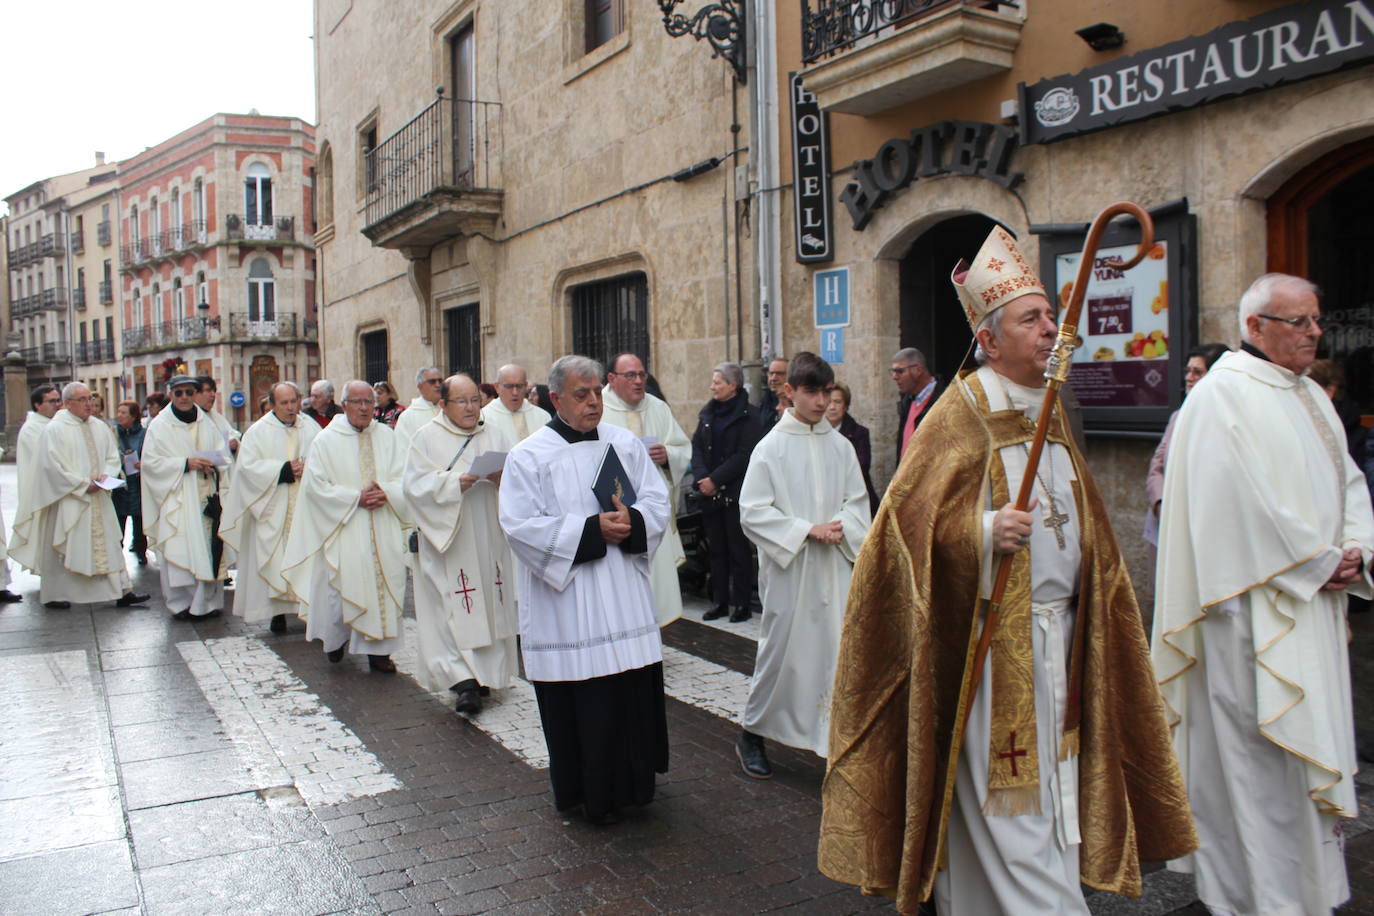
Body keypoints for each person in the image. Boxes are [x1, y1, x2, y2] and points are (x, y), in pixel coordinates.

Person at [819, 226, 1196, 915]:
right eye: (1033, 319)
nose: (1052, 328)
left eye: (1052, 315)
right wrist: (982, 531)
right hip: (995, 656)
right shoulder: (959, 413)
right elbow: (897, 537)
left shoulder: (1050, 405)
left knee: (1050, 804)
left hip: (1063, 640)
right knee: (1011, 809)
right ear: (989, 341)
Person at [1153, 273, 1374, 916]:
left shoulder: (1309, 395)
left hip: (1313, 606)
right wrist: (1321, 561)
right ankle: (1257, 899)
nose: (1314, 333)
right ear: (1256, 328)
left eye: (1315, 320)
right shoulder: (1222, 396)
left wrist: (1356, 551)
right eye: (1297, 322)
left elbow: (1348, 485)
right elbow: (1240, 508)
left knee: (1304, 766)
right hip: (1251, 616)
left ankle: (1310, 893)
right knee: (1259, 767)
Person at [498, 355, 671, 825]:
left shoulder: (624, 443)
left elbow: (657, 500)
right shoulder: (529, 455)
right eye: (582, 394)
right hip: (569, 605)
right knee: (586, 702)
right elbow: (519, 526)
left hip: (623, 598)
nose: (594, 401)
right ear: (555, 399)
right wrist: (593, 531)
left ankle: (636, 787)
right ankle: (586, 794)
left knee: (629, 695)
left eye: (597, 392)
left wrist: (632, 522)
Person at [735, 352, 871, 779]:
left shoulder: (842, 445)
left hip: (834, 568)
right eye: (812, 392)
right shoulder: (770, 448)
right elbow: (752, 511)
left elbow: (858, 503)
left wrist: (842, 528)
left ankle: (831, 739)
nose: (821, 401)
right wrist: (805, 530)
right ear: (789, 391)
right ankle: (752, 732)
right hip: (791, 570)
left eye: (826, 391)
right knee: (780, 654)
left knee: (834, 654)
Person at [403, 373, 517, 715]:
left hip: (488, 532)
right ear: (443, 405)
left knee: (488, 601)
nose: (471, 408)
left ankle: (485, 676)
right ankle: (462, 681)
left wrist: (502, 478)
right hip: (449, 537)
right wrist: (456, 483)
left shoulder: (494, 432)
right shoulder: (425, 438)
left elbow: (517, 474)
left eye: (475, 400)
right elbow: (414, 487)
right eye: (462, 401)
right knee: (452, 605)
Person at [283, 380, 410, 672]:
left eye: (370, 402)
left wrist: (387, 491)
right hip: (344, 526)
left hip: (383, 522)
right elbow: (316, 488)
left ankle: (379, 653)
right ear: (345, 405)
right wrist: (355, 498)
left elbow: (406, 476)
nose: (365, 408)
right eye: (358, 402)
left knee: (385, 585)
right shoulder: (326, 441)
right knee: (340, 590)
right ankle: (336, 638)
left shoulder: (388, 437)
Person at [25, 383, 148, 609]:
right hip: (70, 499)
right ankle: (58, 594)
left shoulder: (99, 427)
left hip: (98, 497)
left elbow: (113, 456)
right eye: (82, 400)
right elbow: (51, 468)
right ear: (68, 403)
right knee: (67, 543)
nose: (89, 404)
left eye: (90, 398)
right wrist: (82, 484)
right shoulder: (54, 429)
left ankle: (122, 590)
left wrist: (105, 477)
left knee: (109, 543)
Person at [219, 382, 319, 635]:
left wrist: (308, 469)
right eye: (283, 403)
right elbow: (247, 470)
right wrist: (284, 469)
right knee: (275, 559)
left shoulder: (311, 427)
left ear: (299, 401)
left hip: (304, 506)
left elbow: (325, 457)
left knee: (307, 557)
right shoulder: (258, 432)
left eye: (293, 402)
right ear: (272, 404)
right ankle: (277, 613)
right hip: (272, 507)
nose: (289, 408)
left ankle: (309, 609)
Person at [600, 353, 691, 627]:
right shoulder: (598, 409)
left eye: (642, 374)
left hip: (651, 511)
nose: (639, 381)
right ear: (612, 379)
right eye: (631, 375)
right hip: (615, 509)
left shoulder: (658, 408)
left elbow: (682, 447)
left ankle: (652, 633)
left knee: (656, 581)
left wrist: (668, 455)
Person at [141, 376, 230, 619]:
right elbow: (151, 463)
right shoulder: (160, 426)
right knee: (181, 548)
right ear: (171, 395)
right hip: (178, 497)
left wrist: (215, 463)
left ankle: (208, 603)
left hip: (206, 494)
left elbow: (223, 453)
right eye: (179, 393)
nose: (184, 398)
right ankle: (181, 603)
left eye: (189, 392)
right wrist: (185, 463)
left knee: (208, 548)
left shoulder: (206, 422)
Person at [690, 362, 760, 623]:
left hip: (734, 491)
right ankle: (719, 601)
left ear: (733, 385)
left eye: (718, 381)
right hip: (709, 493)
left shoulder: (750, 416)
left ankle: (741, 604)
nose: (712, 386)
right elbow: (696, 446)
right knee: (716, 551)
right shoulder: (708, 413)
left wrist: (716, 479)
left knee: (738, 550)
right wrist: (701, 479)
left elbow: (745, 455)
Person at [1143, 343, 1229, 547]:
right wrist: (1161, 504)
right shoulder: (1178, 417)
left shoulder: (1226, 421)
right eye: (1188, 371)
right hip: (1165, 523)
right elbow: (1158, 463)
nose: (1189, 378)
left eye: (1197, 372)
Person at [8, 384, 62, 589]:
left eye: (59, 400)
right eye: (52, 401)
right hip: (43, 492)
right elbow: (46, 459)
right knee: (46, 539)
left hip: (55, 489)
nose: (57, 405)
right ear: (38, 405)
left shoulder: (52, 423)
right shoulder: (32, 428)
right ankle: (51, 582)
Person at [826, 382, 880, 514]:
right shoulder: (816, 434)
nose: (832, 407)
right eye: (829, 402)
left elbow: (862, 467)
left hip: (856, 501)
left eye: (837, 402)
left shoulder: (860, 433)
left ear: (845, 406)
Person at [114, 400, 149, 566]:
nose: (119, 416)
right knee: (118, 521)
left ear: (133, 416)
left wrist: (144, 463)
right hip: (120, 484)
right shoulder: (113, 434)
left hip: (138, 482)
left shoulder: (144, 435)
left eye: (123, 413)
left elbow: (151, 454)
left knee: (139, 518)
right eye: (118, 412)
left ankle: (141, 550)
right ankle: (116, 554)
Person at [892, 346, 940, 465]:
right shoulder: (907, 402)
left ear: (918, 370)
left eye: (900, 371)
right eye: (893, 371)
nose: (894, 377)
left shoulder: (944, 401)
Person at [481, 364, 551, 444]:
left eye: (519, 386)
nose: (515, 392)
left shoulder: (543, 416)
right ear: (497, 387)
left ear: (525, 386)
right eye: (509, 386)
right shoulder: (484, 417)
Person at [393, 366, 444, 448]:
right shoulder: (407, 417)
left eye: (440, 381)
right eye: (432, 382)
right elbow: (403, 450)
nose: (438, 385)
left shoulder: (447, 410)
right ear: (420, 386)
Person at [757, 357, 789, 433]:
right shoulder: (762, 405)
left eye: (780, 373)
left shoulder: (797, 403)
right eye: (771, 374)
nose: (773, 378)